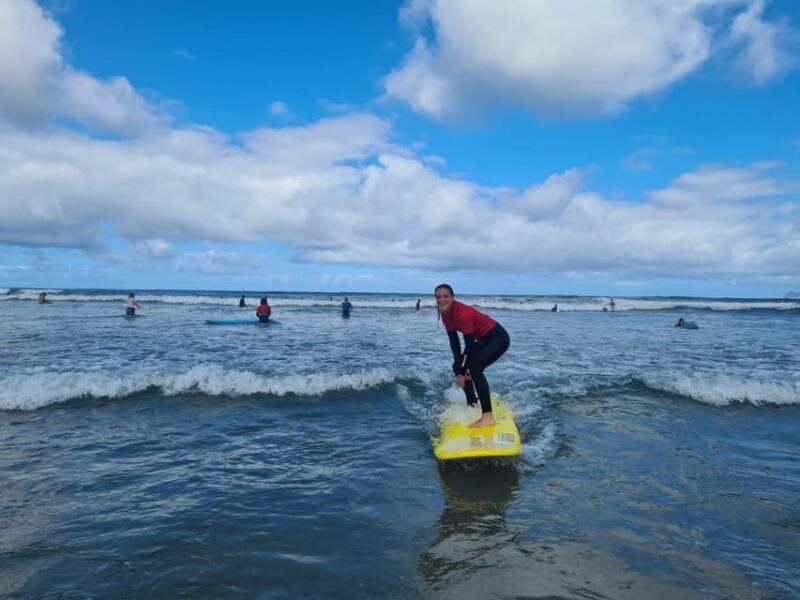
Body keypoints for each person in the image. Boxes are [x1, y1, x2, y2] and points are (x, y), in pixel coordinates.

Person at [435, 284, 510, 429]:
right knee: (458, 365)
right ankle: (473, 403)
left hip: (498, 338)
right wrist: (459, 368)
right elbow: (454, 342)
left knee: (475, 368)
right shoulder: (445, 314)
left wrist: (463, 373)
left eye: (446, 296)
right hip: (483, 340)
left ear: (452, 298)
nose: (442, 300)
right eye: (438, 297)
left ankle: (487, 417)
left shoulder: (462, 313)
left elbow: (468, 346)